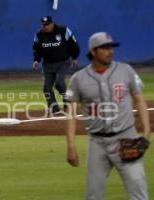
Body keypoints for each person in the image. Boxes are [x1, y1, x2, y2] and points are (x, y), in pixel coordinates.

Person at [66, 32, 150, 199]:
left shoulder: (126, 70)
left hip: (126, 138)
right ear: (93, 51)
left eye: (111, 47)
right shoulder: (78, 79)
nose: (110, 51)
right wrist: (70, 146)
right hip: (97, 144)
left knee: (139, 192)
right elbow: (71, 114)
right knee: (93, 194)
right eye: (104, 48)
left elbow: (140, 101)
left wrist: (146, 134)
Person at [32, 15, 80, 116]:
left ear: (52, 23)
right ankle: (55, 110)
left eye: (48, 25)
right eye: (44, 25)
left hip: (63, 62)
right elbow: (36, 49)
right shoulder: (39, 35)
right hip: (47, 65)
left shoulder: (63, 30)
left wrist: (74, 57)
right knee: (47, 89)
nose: (46, 27)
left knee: (59, 82)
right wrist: (36, 60)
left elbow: (73, 43)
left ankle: (68, 101)